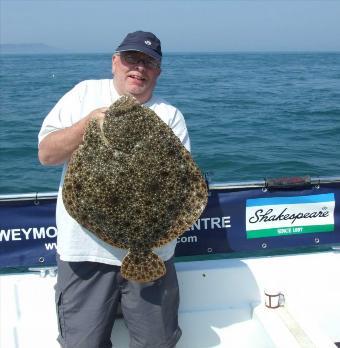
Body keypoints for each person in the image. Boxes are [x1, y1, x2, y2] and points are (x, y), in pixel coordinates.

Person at [38, 31, 190, 348]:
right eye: (131, 58)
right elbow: (47, 155)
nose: (139, 67)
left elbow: (181, 190)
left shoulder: (170, 116)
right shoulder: (83, 94)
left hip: (152, 256)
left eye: (148, 62)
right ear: (114, 62)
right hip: (85, 255)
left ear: (158, 71)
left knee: (155, 343)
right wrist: (88, 125)